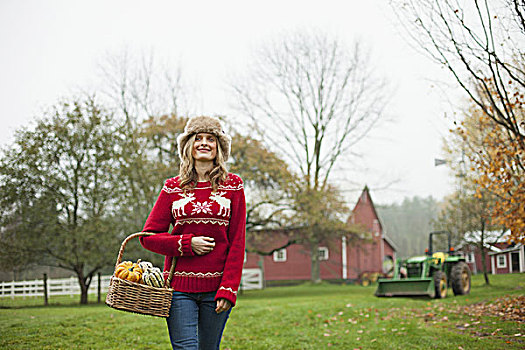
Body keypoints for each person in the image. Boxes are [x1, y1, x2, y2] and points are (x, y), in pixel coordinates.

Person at [139, 116, 246, 350]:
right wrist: (186, 244)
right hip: (178, 291)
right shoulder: (172, 187)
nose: (204, 143)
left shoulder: (234, 186)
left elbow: (237, 242)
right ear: (189, 146)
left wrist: (228, 289)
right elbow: (148, 237)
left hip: (216, 290)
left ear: (219, 147)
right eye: (198, 138)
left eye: (211, 139)